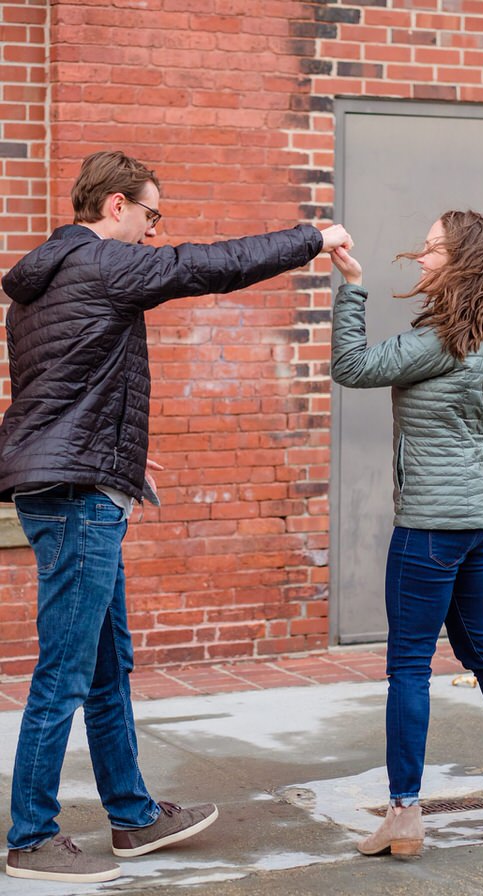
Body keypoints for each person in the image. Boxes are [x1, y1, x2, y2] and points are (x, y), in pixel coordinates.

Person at [0, 150, 353, 884]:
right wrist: (310, 239)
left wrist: (115, 457)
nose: (156, 234)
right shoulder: (102, 263)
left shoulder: (42, 283)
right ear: (116, 206)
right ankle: (31, 837)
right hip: (78, 504)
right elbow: (207, 265)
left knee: (105, 668)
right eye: (151, 215)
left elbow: (60, 390)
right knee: (66, 674)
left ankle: (132, 818)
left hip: (75, 486)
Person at [328, 210, 483, 857]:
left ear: (460, 261)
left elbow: (351, 365)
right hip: (480, 517)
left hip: (432, 526)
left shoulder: (437, 340)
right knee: (480, 648)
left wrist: (351, 285)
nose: (420, 257)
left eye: (432, 249)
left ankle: (404, 812)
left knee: (409, 665)